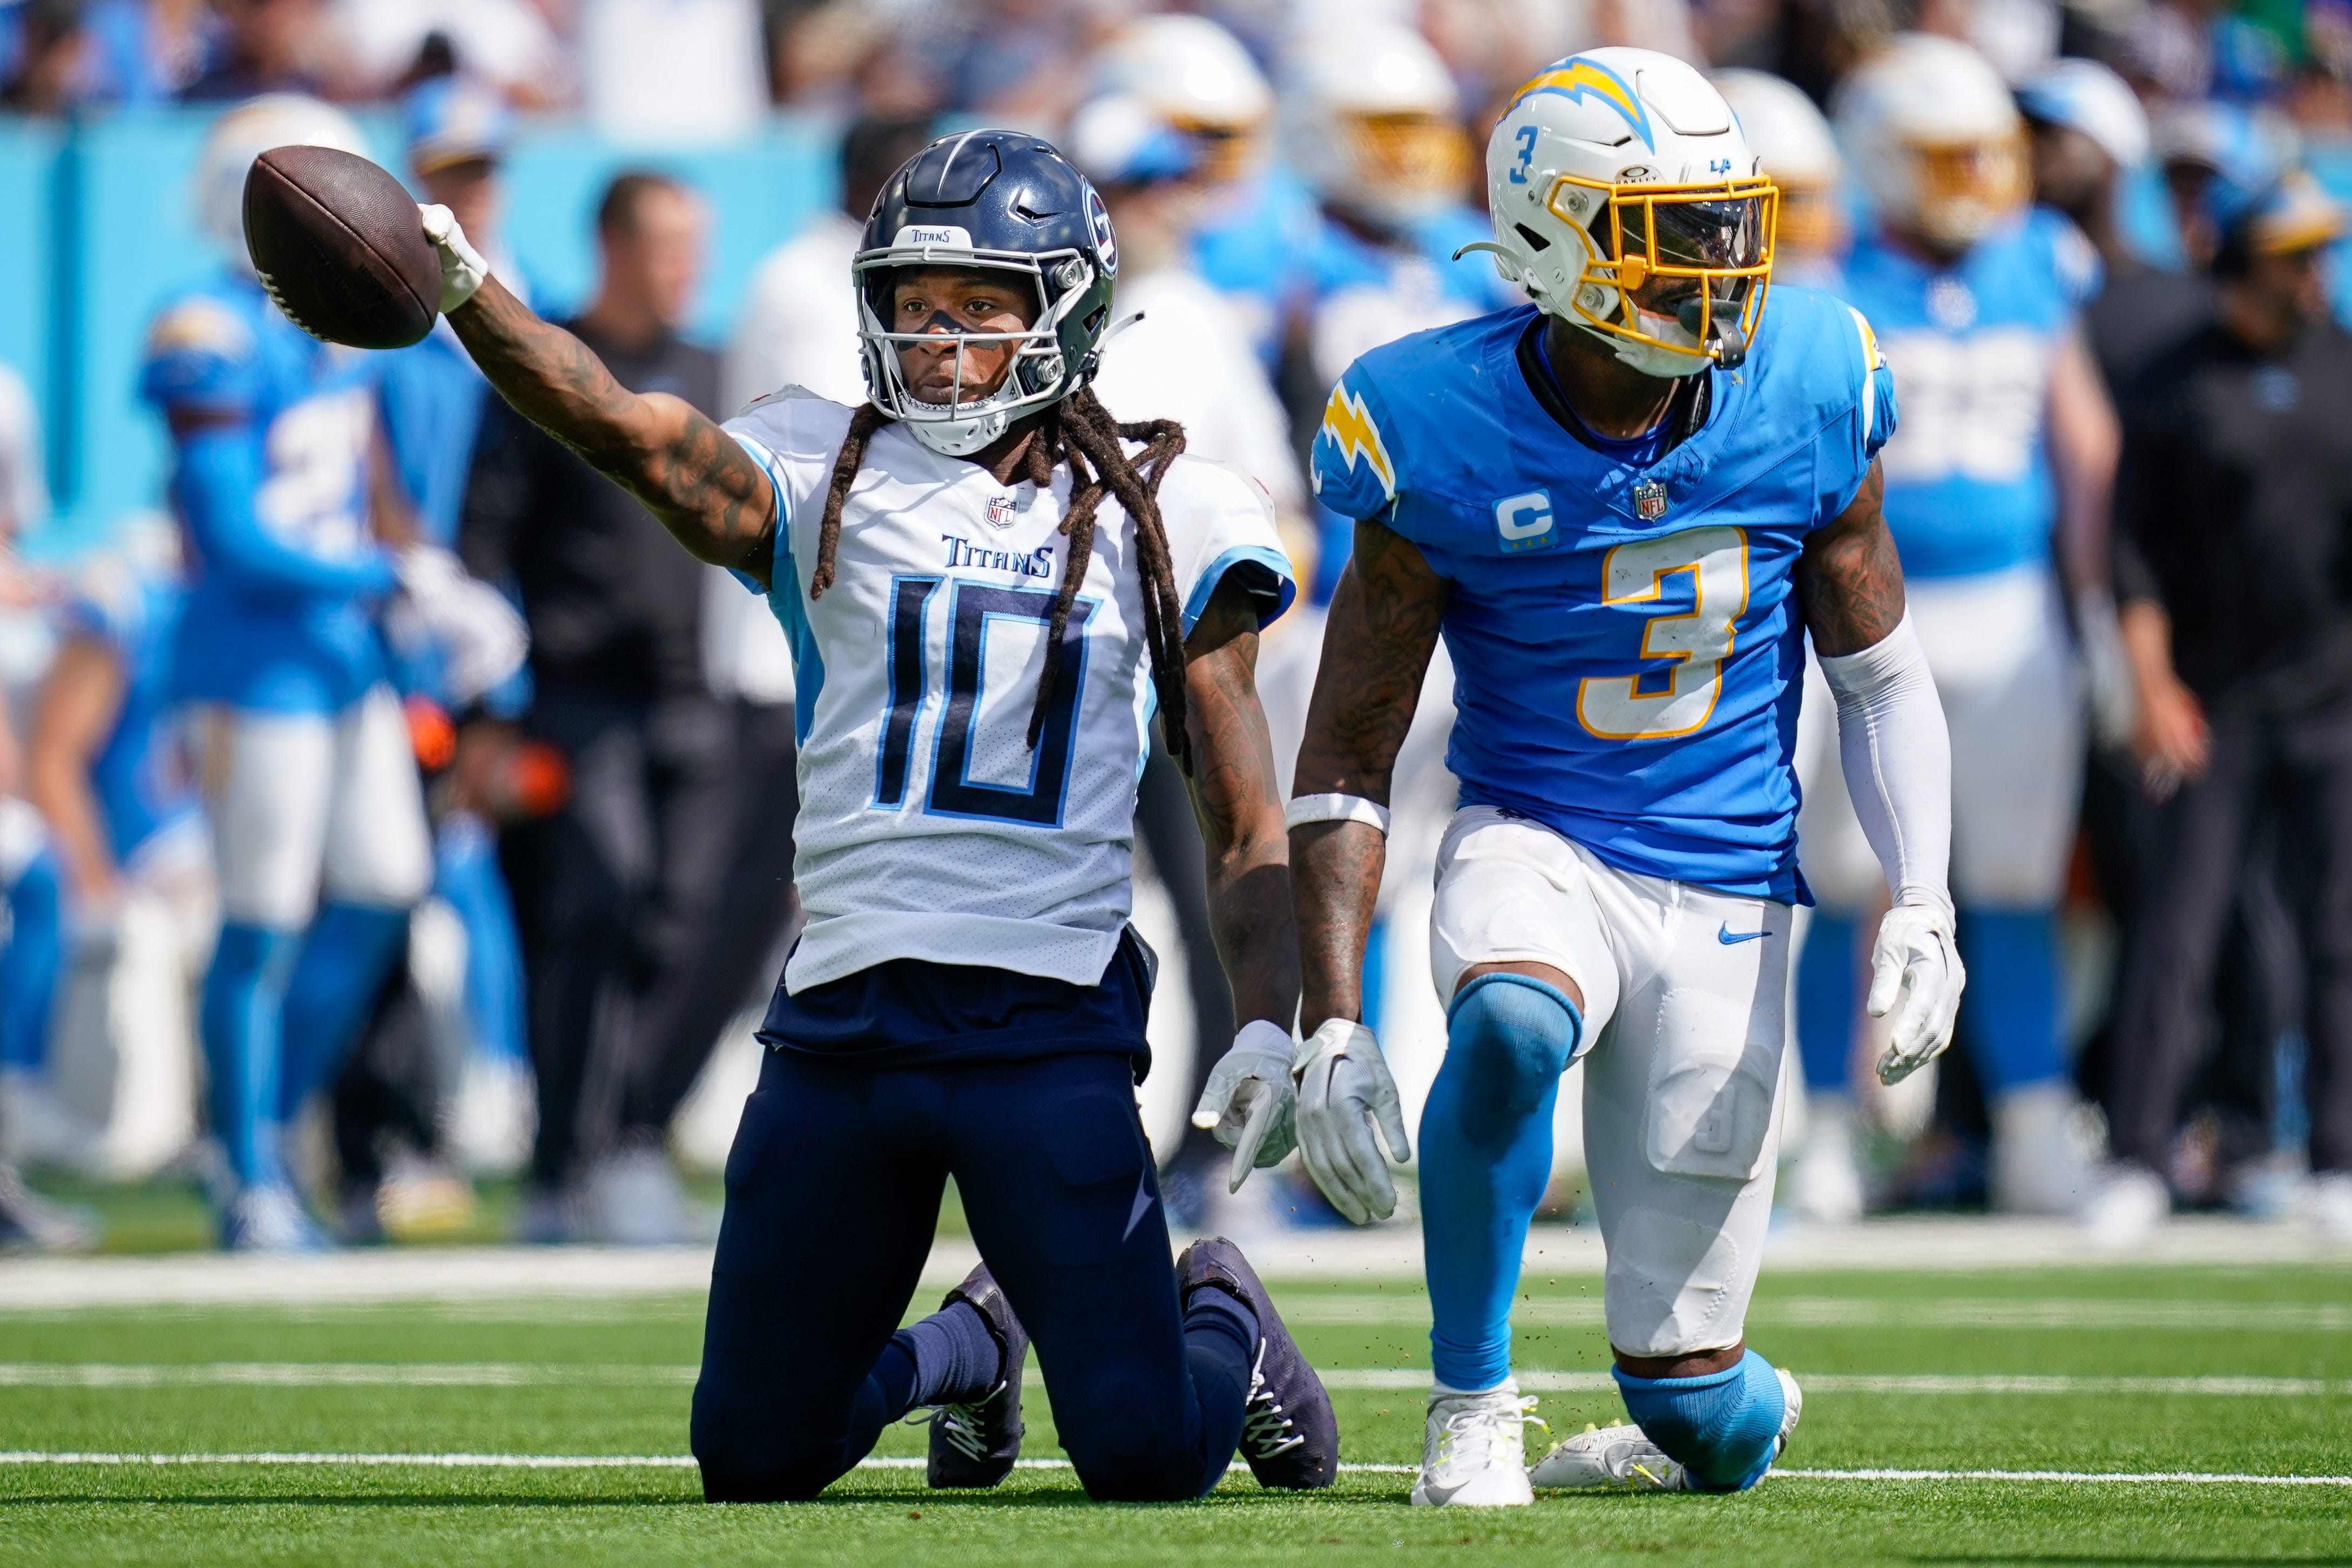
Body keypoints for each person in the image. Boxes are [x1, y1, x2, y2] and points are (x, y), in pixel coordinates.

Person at [408, 125, 1337, 1500]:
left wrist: (1273, 1017)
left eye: (980, 307)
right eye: (912, 307)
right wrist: (466, 295)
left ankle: (1229, 1320)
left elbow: (1245, 818)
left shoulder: (1167, 507)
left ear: (1066, 309)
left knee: (1145, 1454)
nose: (940, 342)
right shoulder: (812, 465)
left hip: (1048, 1027)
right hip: (845, 1021)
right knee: (755, 1459)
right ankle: (965, 1349)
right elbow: (619, 421)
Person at [1282, 49, 1959, 1505]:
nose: (1716, 269)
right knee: (1513, 1026)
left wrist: (1921, 900)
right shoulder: (1429, 416)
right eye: (1669, 231)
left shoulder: (1811, 377)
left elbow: (1880, 672)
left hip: (1730, 875)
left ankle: (1720, 1399)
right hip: (1536, 833)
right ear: (1549, 233)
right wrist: (1331, 1015)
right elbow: (1349, 740)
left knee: (1698, 1414)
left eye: (1727, 225)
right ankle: (1468, 1400)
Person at [1796, 35, 2114, 1218]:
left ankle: (2037, 1130)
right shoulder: (1834, 274)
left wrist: (2098, 606)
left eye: (1983, 152)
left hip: (2015, 602)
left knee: (2015, 881)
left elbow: (2084, 447)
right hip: (1873, 621)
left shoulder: (2040, 258)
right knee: (1834, 878)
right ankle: (1827, 1132)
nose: (1970, 178)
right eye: (1941, 154)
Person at [141, 96, 435, 1251]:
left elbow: (363, 487)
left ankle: (269, 1124)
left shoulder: (336, 327)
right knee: (259, 919)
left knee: (383, 883)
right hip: (256, 659)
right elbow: (229, 530)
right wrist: (375, 578)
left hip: (342, 660)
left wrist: (426, 580)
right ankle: (244, 1164)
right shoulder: (202, 325)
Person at [462, 170, 736, 1244]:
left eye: (696, 246)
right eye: (668, 245)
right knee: (595, 906)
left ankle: (632, 1139)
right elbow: (481, 539)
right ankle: (560, 1165)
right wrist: (484, 706)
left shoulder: (719, 371)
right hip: (580, 697)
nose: (686, 269)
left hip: (703, 692)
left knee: (690, 918)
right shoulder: (548, 373)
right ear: (614, 246)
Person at [2098, 171, 2352, 1243]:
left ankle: (2338, 1158)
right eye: (2296, 257)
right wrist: (2152, 686)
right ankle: (2137, 1157)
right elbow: (2134, 555)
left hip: (2336, 701)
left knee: (2340, 932)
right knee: (2179, 932)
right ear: (2245, 267)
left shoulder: (2343, 369)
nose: (2315, 276)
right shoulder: (2176, 385)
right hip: (2213, 703)